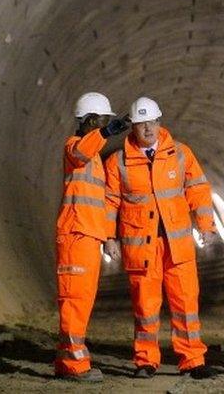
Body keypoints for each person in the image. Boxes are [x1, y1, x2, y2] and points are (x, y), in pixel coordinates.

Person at [103, 97, 217, 379]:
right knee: (145, 305)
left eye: (152, 122)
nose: (148, 129)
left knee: (186, 302)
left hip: (177, 245)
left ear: (160, 122)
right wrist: (108, 237)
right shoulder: (118, 162)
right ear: (133, 127)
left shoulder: (180, 154)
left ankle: (192, 359)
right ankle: (145, 360)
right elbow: (109, 202)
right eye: (141, 124)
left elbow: (198, 190)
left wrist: (206, 225)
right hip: (141, 247)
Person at [55, 92, 131, 381]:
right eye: (101, 122)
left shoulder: (96, 159)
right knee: (75, 300)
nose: (104, 127)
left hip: (88, 236)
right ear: (89, 121)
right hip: (75, 235)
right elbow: (81, 152)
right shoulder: (74, 147)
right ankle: (74, 364)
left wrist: (107, 237)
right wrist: (108, 132)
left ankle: (66, 362)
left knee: (81, 300)